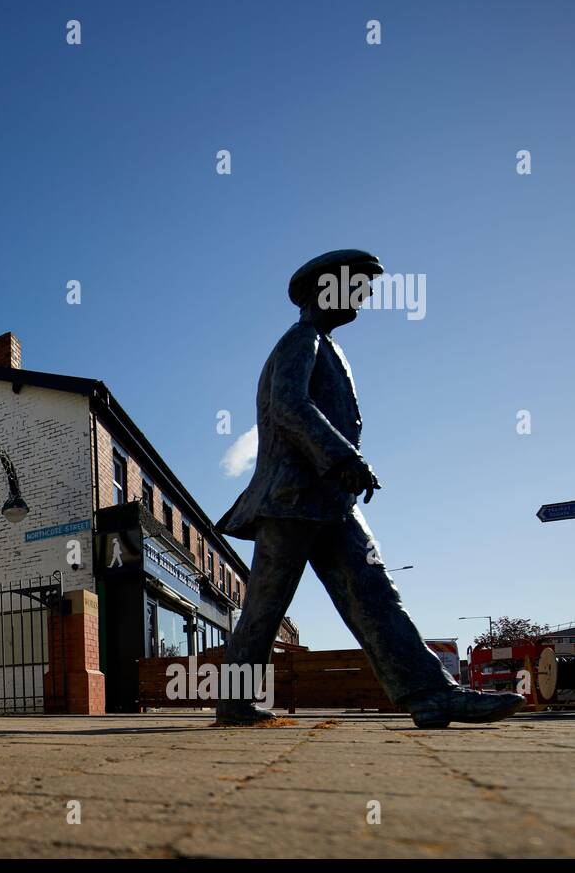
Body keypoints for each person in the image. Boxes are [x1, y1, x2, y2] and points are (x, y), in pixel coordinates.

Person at [215, 249, 524, 728]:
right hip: (293, 498)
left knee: (376, 594)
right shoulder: (300, 341)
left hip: (330, 500)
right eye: (356, 285)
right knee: (264, 608)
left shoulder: (326, 345)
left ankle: (431, 695)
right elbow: (288, 406)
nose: (365, 295)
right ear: (326, 290)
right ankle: (234, 701)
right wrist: (343, 457)